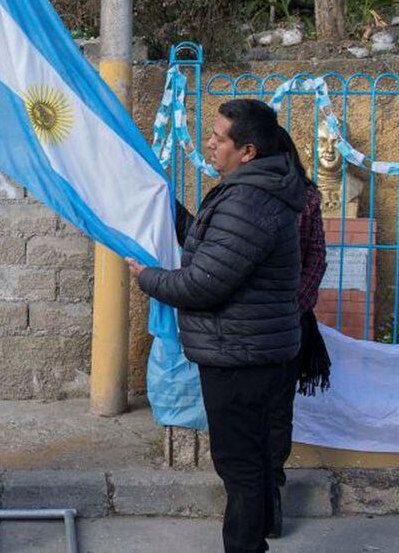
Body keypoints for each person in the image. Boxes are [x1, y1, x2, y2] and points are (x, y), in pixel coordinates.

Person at [126, 100, 304, 553]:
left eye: (219, 137)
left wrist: (147, 278)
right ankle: (262, 531)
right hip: (254, 350)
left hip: (240, 357)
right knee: (258, 458)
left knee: (239, 465)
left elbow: (203, 283)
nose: (209, 142)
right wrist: (165, 203)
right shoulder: (248, 192)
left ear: (246, 151)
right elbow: (212, 246)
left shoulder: (247, 199)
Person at [267, 127, 330, 538]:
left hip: (288, 324)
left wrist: (292, 307)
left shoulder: (305, 199)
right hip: (249, 325)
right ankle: (253, 489)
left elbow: (316, 258)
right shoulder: (237, 195)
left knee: (277, 409)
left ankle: (270, 487)